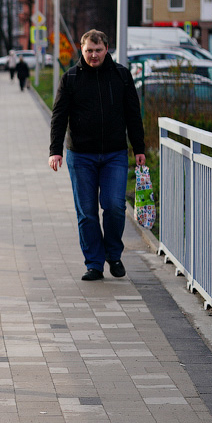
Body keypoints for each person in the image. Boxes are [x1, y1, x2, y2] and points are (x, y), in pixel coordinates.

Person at [48, 29, 146, 281]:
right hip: (81, 157)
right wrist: (55, 151)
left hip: (114, 154)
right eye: (89, 50)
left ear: (106, 49)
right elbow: (59, 117)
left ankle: (113, 255)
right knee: (87, 212)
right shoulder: (70, 79)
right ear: (82, 50)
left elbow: (133, 114)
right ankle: (94, 263)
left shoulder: (121, 76)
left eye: (98, 50)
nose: (93, 55)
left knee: (114, 206)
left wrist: (139, 148)